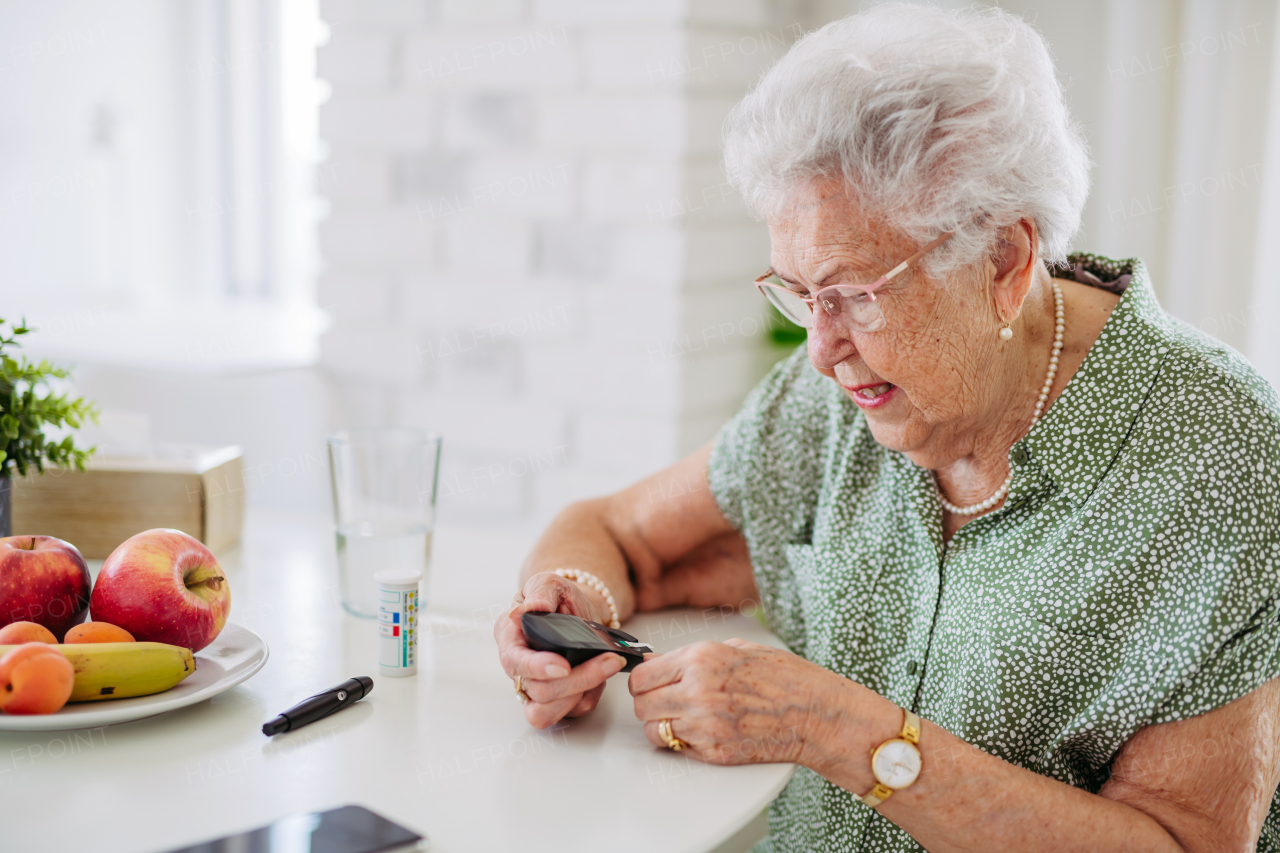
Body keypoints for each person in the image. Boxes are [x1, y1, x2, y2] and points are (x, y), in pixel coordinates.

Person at [494, 5, 1280, 851]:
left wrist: (836, 728)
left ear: (1004, 263)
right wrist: (567, 614)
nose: (822, 350)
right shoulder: (842, 390)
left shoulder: (1223, 455)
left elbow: (1187, 844)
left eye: (856, 294)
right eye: (798, 292)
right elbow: (613, 532)